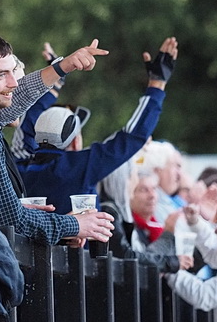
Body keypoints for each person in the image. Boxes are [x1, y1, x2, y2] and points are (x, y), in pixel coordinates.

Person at [0, 33, 115, 246]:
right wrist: (74, 225)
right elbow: (7, 220)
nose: (14, 83)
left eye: (13, 72)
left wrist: (63, 67)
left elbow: (18, 97)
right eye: (1, 74)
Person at [17, 37, 178, 215]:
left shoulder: (18, 166)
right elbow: (131, 137)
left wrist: (55, 81)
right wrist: (157, 84)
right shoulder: (78, 167)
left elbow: (28, 118)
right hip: (78, 243)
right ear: (75, 142)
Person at [98, 158, 193, 273]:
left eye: (154, 189)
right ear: (123, 180)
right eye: (143, 190)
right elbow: (127, 258)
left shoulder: (118, 212)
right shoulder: (110, 212)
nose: (152, 195)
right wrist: (168, 239)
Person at [139, 139, 185, 222]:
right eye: (176, 166)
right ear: (157, 170)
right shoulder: (152, 206)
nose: (180, 174)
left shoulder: (168, 202)